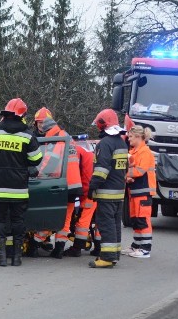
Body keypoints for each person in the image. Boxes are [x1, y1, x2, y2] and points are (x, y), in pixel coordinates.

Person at [0, 98, 43, 267]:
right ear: (22, 115)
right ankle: (17, 258)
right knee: (18, 222)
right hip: (19, 189)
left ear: (5, 113)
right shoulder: (28, 135)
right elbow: (37, 159)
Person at [30, 108, 82, 258]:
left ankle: (34, 244)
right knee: (65, 219)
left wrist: (36, 174)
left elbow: (50, 161)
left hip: (61, 184)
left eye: (41, 125)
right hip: (73, 185)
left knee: (49, 217)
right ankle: (59, 249)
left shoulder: (56, 138)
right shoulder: (65, 136)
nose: (40, 129)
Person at [87, 109, 129, 269]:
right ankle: (114, 254)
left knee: (106, 224)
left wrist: (92, 186)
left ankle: (107, 257)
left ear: (102, 124)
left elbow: (101, 170)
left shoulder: (105, 144)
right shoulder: (121, 142)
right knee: (115, 224)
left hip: (106, 191)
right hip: (119, 191)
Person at [123, 125, 156, 258]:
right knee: (136, 220)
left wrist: (124, 174)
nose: (128, 139)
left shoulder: (145, 152)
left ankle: (145, 249)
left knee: (143, 220)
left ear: (138, 137)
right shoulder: (135, 151)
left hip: (143, 191)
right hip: (136, 191)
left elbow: (139, 171)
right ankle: (136, 246)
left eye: (130, 137)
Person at [64, 135, 96, 258]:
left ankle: (77, 248)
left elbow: (78, 172)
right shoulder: (87, 150)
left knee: (83, 220)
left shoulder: (76, 151)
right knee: (95, 220)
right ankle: (98, 247)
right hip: (93, 188)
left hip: (88, 191)